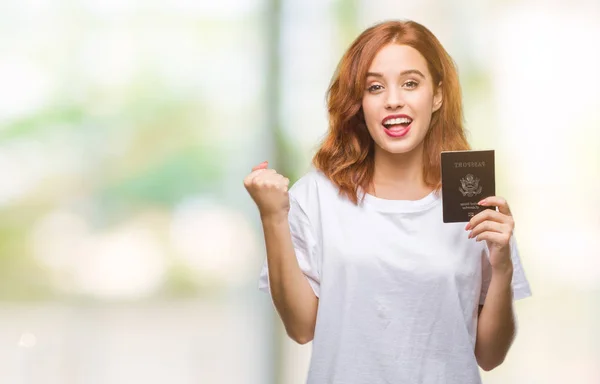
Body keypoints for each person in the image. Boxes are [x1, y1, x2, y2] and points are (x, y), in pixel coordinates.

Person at [244, 19, 531, 384]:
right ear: (359, 102)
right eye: (375, 87)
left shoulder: (473, 199)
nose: (393, 99)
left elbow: (490, 356)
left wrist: (502, 265)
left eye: (410, 83)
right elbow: (301, 328)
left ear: (437, 95)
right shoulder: (317, 196)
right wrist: (273, 217)